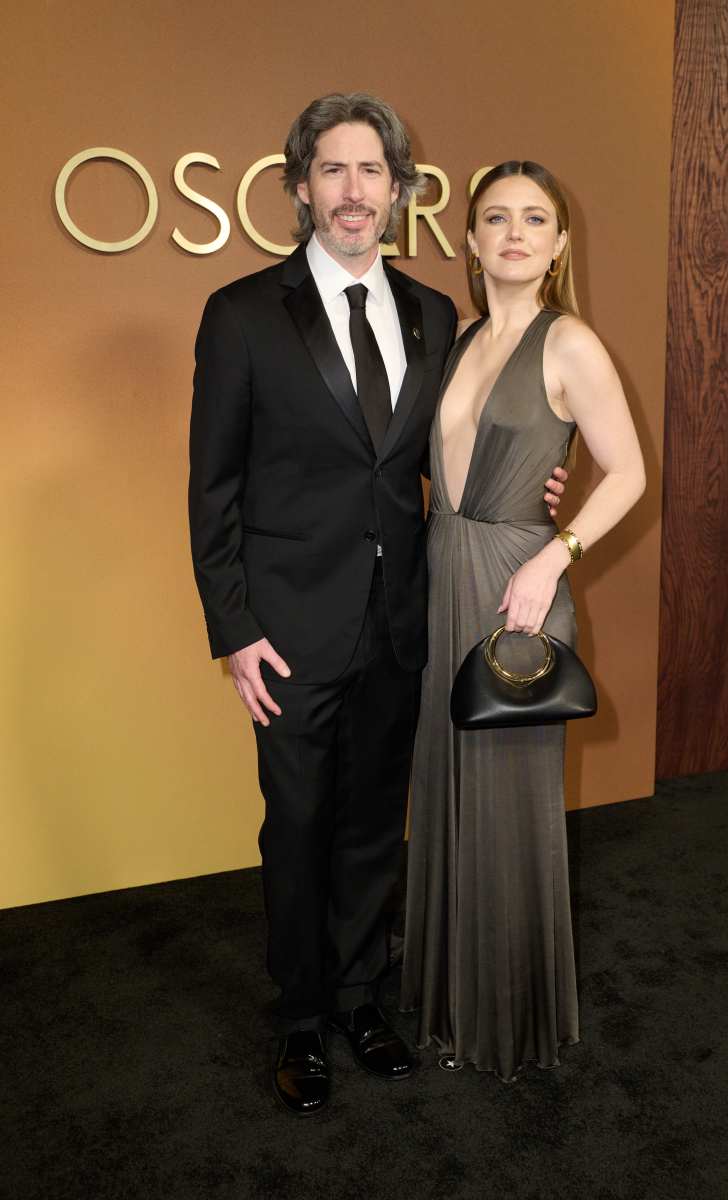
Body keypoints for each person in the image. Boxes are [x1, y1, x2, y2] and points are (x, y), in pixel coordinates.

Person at [189, 96, 569, 1116]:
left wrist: (538, 481)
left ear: (399, 191)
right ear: (300, 186)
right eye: (333, 169)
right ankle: (300, 1016)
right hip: (286, 630)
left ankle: (360, 999)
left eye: (372, 171)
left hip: (404, 619)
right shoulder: (241, 313)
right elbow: (211, 489)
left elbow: (452, 448)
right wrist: (234, 629)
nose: (354, 190)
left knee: (368, 826)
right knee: (297, 826)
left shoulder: (433, 315)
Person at [400, 160, 646, 1082]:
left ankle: (505, 1018)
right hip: (442, 573)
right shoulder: (459, 339)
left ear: (558, 243)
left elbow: (629, 472)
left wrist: (554, 553)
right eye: (496, 218)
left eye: (534, 219)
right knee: (445, 783)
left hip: (516, 586)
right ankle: (447, 996)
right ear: (469, 240)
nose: (514, 233)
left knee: (506, 800)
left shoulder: (569, 342)